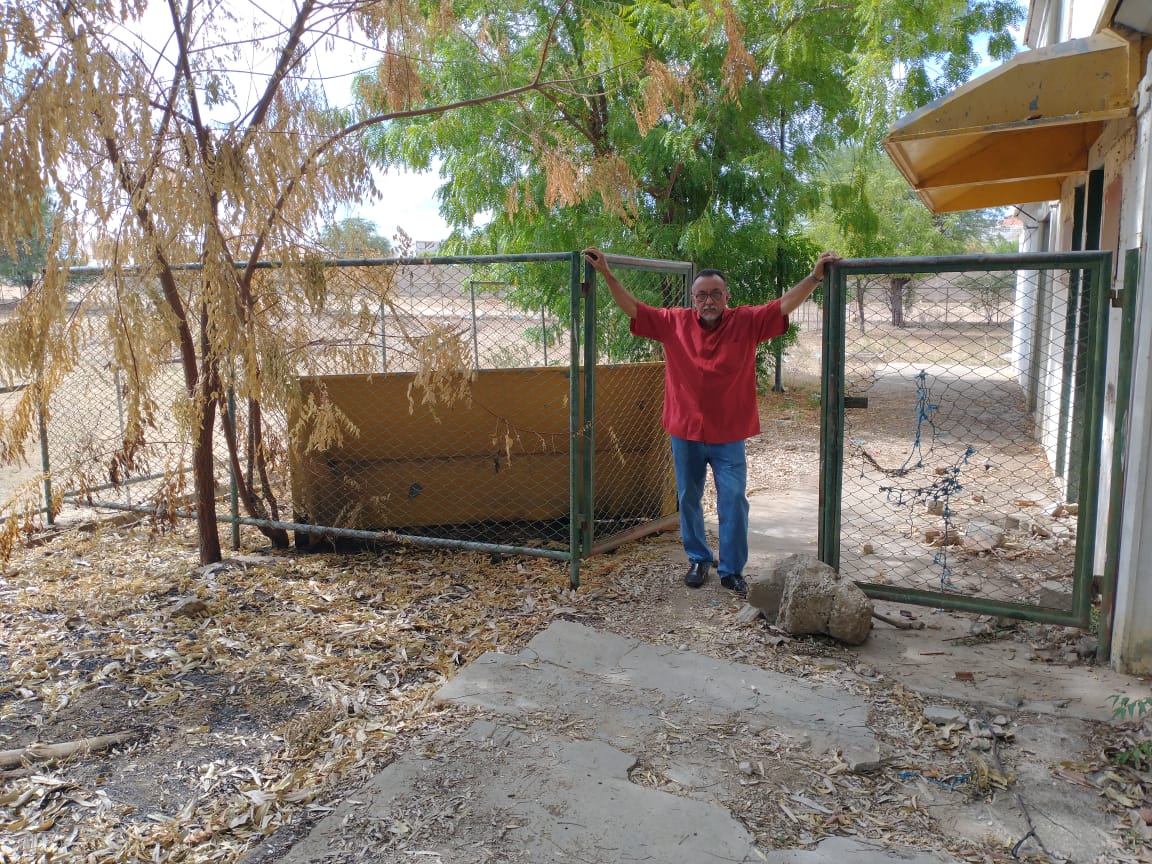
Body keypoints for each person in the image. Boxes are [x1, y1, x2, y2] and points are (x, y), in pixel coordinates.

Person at [583, 246, 842, 595]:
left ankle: (731, 569)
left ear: (726, 296)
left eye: (715, 294)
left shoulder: (746, 322)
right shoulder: (673, 323)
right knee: (689, 496)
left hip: (728, 433)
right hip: (685, 430)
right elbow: (634, 309)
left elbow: (782, 306)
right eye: (702, 295)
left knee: (733, 498)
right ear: (692, 299)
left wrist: (814, 277)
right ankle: (698, 558)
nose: (709, 301)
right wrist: (608, 275)